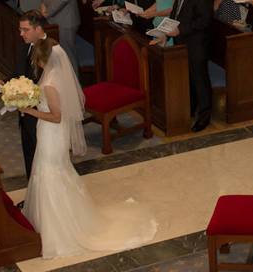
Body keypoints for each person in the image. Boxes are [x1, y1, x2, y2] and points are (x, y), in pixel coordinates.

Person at [21, 34, 157, 258]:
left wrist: (28, 111)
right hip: (51, 134)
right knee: (54, 172)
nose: (35, 62)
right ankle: (53, 221)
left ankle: (57, 229)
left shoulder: (51, 84)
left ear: (42, 59)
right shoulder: (52, 76)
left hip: (51, 133)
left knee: (50, 173)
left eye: (36, 58)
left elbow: (56, 116)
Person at [164, 0, 214, 131]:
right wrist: (167, 30)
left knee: (200, 78)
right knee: (189, 77)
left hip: (196, 43)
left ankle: (205, 116)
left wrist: (181, 30)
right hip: (183, 40)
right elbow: (177, 11)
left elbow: (204, 21)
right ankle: (192, 108)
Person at [16, 11, 46, 176]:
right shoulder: (25, 46)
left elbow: (49, 86)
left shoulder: (50, 50)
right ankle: (33, 194)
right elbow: (18, 74)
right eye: (20, 30)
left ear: (38, 29)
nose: (21, 34)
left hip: (41, 113)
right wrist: (5, 85)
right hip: (25, 114)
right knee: (29, 154)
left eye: (25, 30)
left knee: (42, 156)